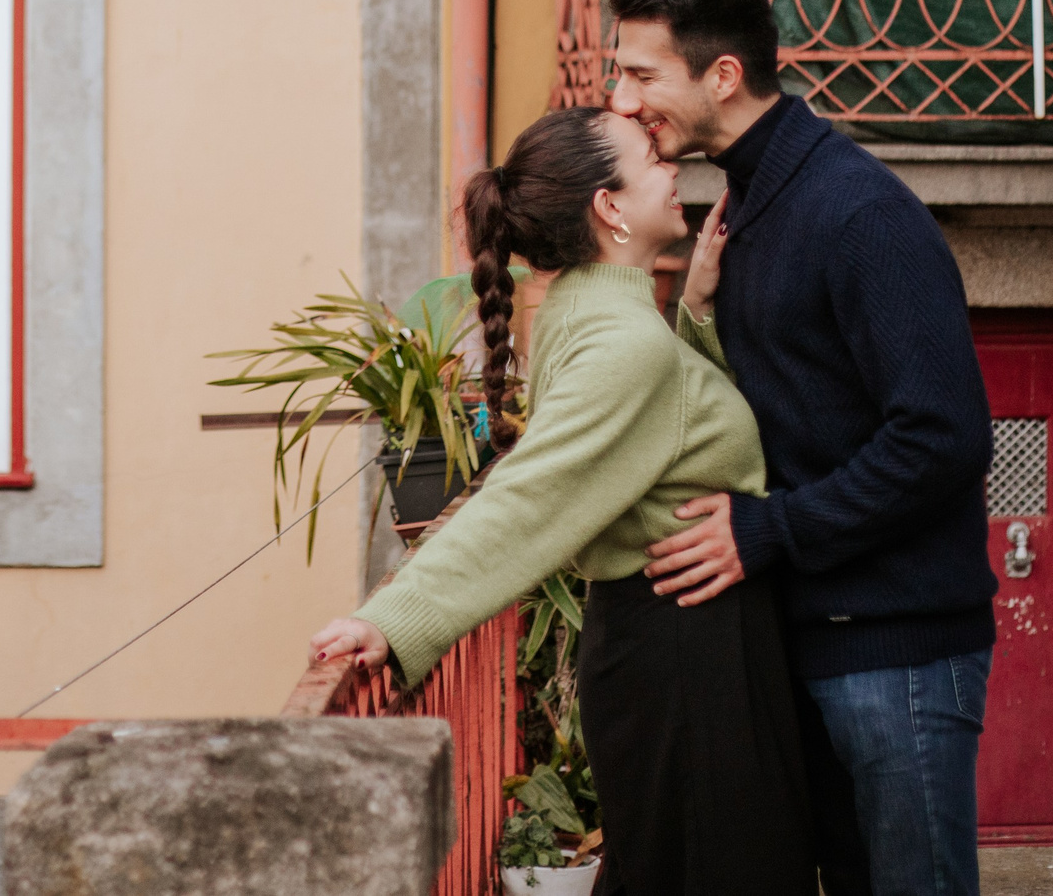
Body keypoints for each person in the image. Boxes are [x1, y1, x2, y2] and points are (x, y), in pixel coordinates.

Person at [307, 105, 815, 896]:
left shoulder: (588, 307)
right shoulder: (626, 342)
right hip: (693, 656)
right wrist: (397, 618)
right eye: (651, 158)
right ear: (610, 206)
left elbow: (659, 429)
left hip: (664, 642)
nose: (673, 167)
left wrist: (694, 312)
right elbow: (531, 492)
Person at [607, 0, 997, 896]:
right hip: (810, 638)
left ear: (722, 75)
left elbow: (943, 435)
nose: (622, 100)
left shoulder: (860, 212)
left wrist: (768, 529)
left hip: (899, 653)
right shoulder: (751, 201)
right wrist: (697, 313)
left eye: (642, 74)